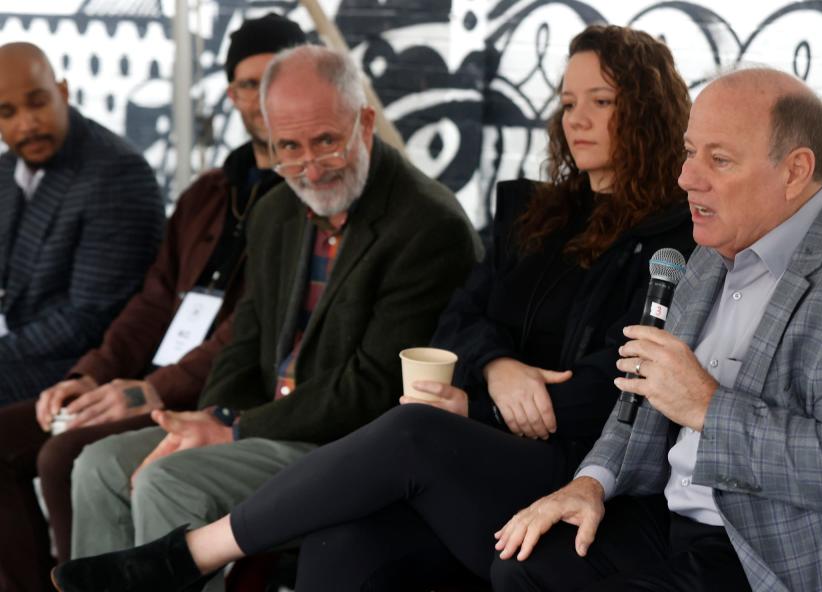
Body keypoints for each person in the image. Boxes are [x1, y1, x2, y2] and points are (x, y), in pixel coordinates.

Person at [50, 25, 697, 592]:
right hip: (475, 454)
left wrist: (480, 404)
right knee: (344, 542)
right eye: (566, 103)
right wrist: (497, 364)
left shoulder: (673, 240)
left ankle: (188, 557)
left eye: (602, 102)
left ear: (648, 112)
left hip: (577, 472)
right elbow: (459, 323)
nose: (576, 119)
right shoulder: (536, 215)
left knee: (415, 428)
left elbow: (617, 387)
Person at [489, 68, 822, 591]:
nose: (686, 178)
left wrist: (707, 407)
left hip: (783, 553)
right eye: (690, 153)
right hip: (677, 516)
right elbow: (639, 407)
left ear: (794, 171)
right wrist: (589, 482)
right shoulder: (714, 249)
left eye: (719, 159)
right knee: (522, 568)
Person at [62, 43, 480, 592]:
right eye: (289, 147)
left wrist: (232, 429)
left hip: (348, 446)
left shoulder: (428, 225)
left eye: (327, 141)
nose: (308, 166)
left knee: (168, 480)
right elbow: (245, 338)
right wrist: (212, 415)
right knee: (98, 466)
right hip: (261, 426)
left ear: (366, 122)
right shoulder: (276, 210)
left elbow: (372, 389)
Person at [0, 15, 305, 592]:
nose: (262, 98)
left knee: (64, 455)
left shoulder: (310, 196)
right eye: (247, 83)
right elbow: (153, 301)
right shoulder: (209, 192)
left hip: (217, 392)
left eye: (277, 78)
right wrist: (94, 374)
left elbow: (252, 327)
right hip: (153, 375)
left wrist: (153, 387)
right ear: (230, 92)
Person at [0, 42, 164, 406]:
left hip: (82, 366)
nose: (26, 124)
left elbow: (88, 321)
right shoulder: (8, 169)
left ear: (63, 91)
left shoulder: (116, 172)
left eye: (37, 102)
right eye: (7, 112)